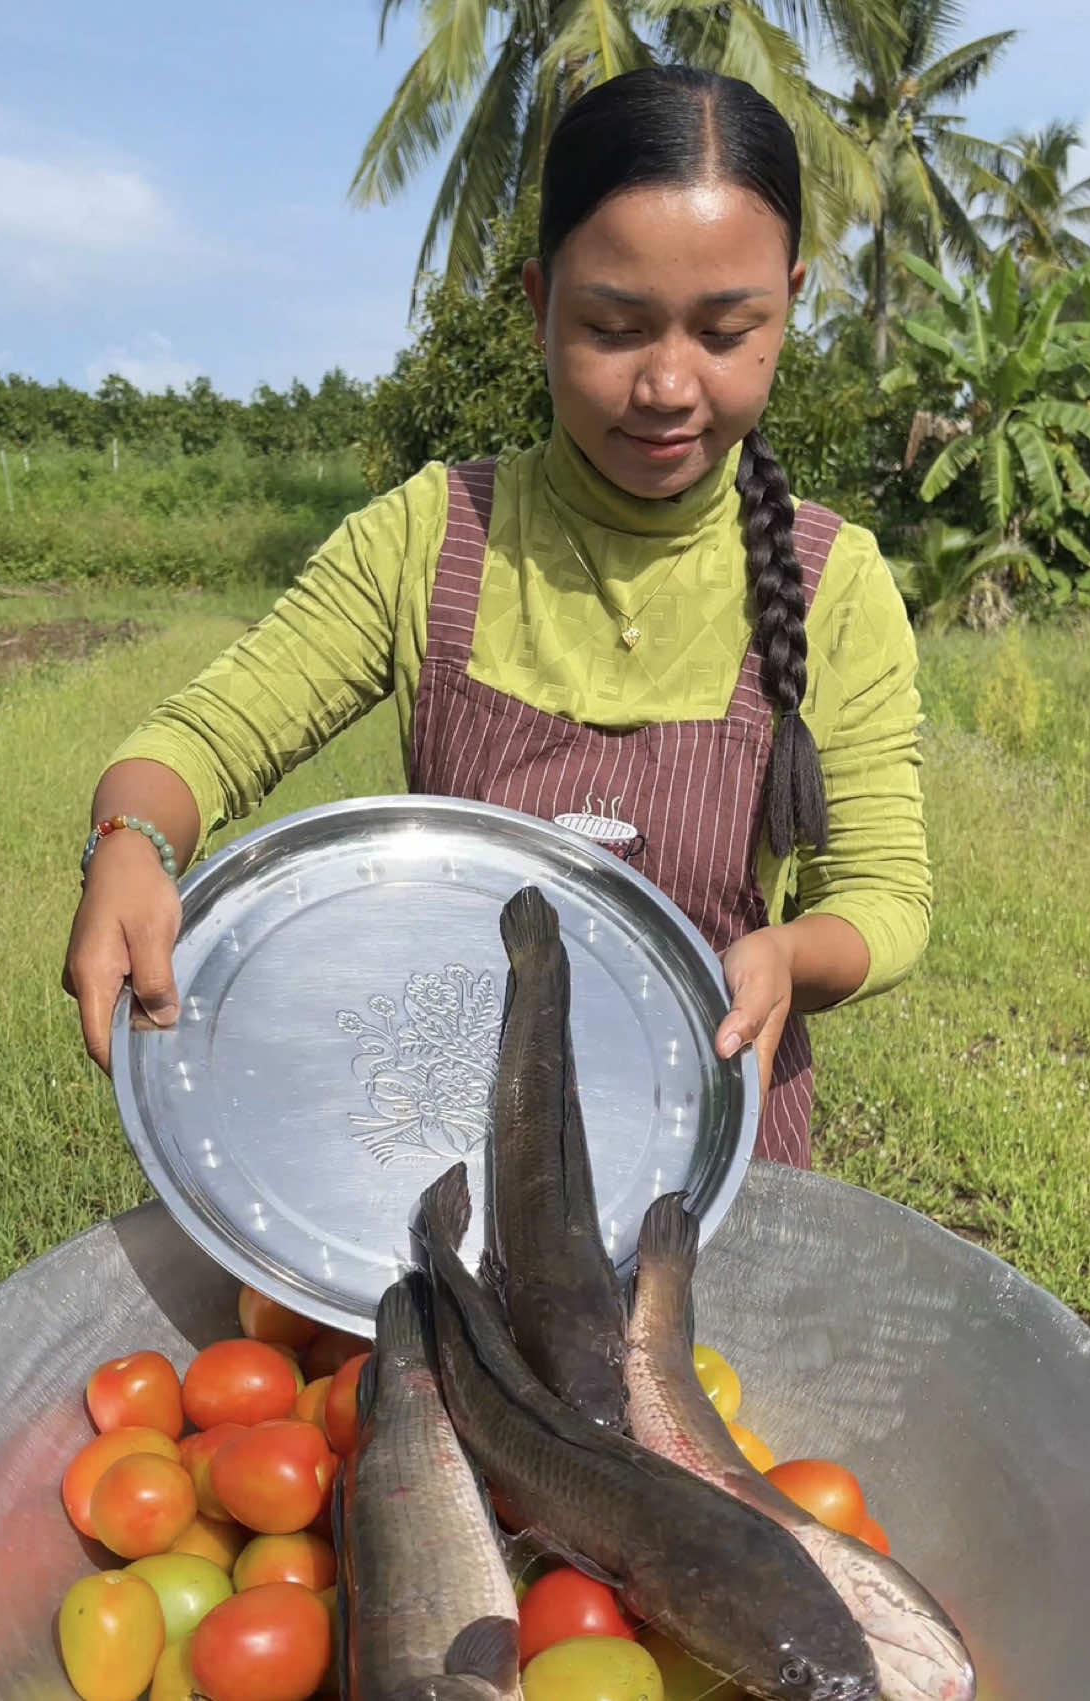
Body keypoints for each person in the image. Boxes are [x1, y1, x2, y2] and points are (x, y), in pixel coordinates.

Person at [63, 67, 930, 1168]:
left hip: (711, 1146)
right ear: (538, 305)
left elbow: (885, 898)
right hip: (451, 1128)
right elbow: (201, 739)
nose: (667, 385)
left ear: (789, 304)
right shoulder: (430, 536)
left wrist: (791, 955)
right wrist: (130, 843)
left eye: (725, 332)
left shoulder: (833, 581)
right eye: (613, 327)